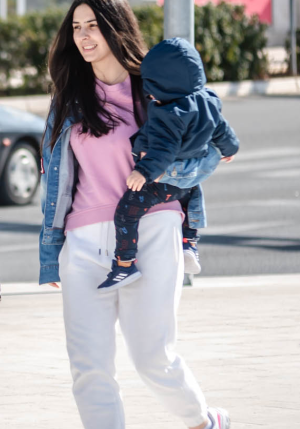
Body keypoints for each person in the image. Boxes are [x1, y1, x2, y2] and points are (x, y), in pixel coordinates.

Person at [38, 0, 229, 429]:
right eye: (75, 29)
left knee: (152, 356)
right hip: (83, 240)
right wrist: (52, 248)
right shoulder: (71, 98)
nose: (82, 37)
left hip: (151, 228)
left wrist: (164, 176)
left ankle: (202, 423)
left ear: (116, 26)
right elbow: (56, 181)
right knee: (89, 363)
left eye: (92, 26)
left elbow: (211, 149)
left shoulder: (157, 88)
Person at [97, 37, 240, 289]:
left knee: (126, 212)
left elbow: (164, 149)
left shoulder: (169, 113)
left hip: (164, 181)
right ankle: (190, 244)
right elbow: (222, 130)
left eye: (152, 85)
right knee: (193, 195)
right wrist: (231, 149)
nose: (149, 93)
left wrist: (143, 172)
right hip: (190, 180)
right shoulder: (208, 100)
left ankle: (124, 264)